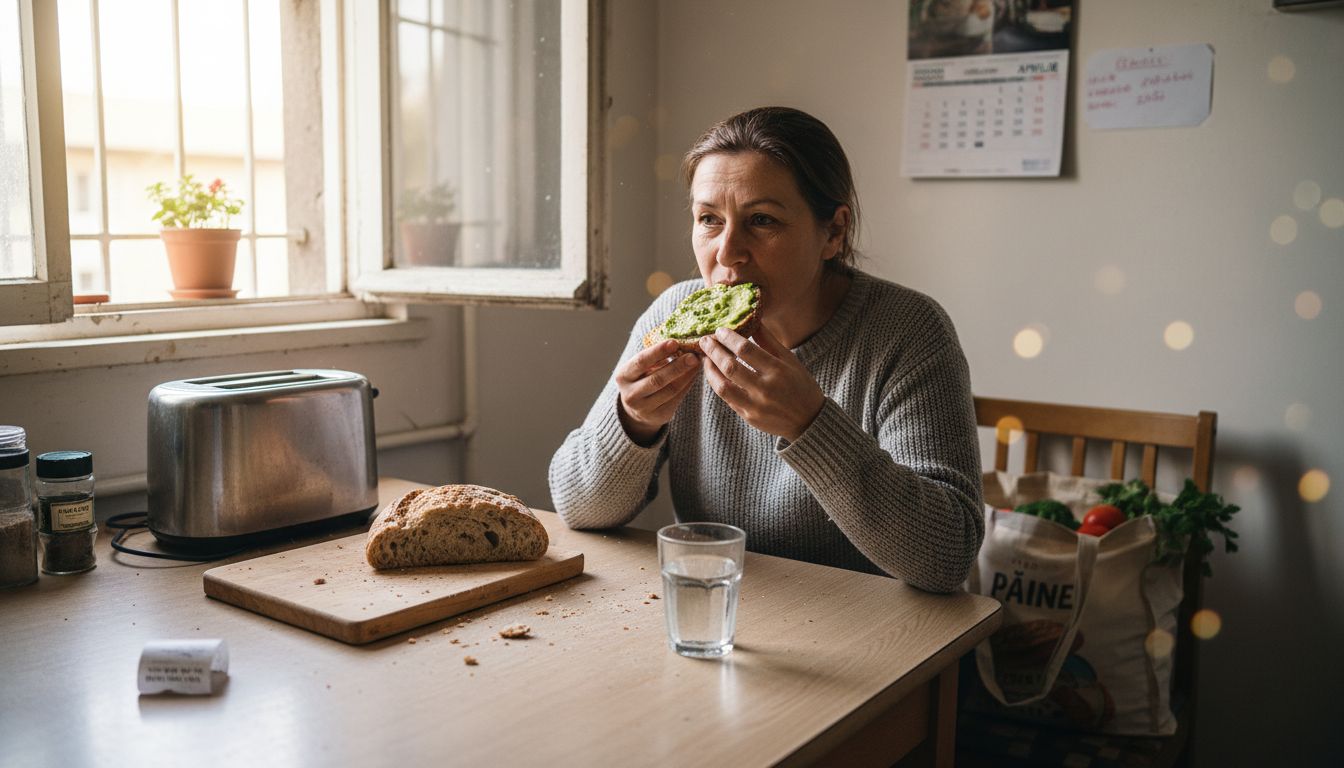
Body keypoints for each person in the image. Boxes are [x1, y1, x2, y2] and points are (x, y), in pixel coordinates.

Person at [548, 106, 983, 593]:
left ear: (833, 232)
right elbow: (578, 509)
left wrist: (810, 424)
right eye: (709, 219)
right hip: (724, 616)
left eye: (761, 220)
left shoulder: (907, 330)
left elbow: (949, 557)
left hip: (879, 637)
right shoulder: (676, 315)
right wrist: (633, 422)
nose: (728, 251)